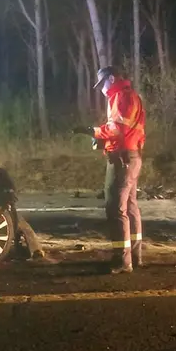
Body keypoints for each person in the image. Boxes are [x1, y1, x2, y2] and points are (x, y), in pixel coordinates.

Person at [73, 66, 146, 274]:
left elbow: (116, 129)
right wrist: (103, 141)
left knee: (115, 209)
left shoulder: (121, 96)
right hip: (132, 156)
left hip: (121, 160)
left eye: (102, 84)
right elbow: (127, 132)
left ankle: (122, 261)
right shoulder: (133, 96)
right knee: (130, 206)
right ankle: (135, 256)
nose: (102, 89)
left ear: (111, 79)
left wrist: (93, 132)